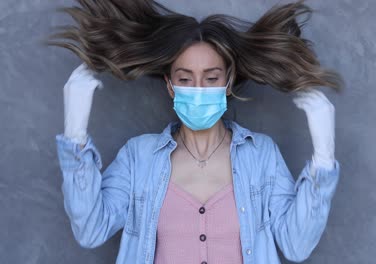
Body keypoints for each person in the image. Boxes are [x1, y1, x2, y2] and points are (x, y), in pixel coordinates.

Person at [48, 0, 343, 263]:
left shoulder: (261, 155)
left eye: (211, 77)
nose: (198, 89)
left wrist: (323, 159)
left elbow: (297, 245)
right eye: (185, 79)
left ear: (228, 82)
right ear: (169, 85)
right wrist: (75, 134)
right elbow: (89, 230)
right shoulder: (138, 157)